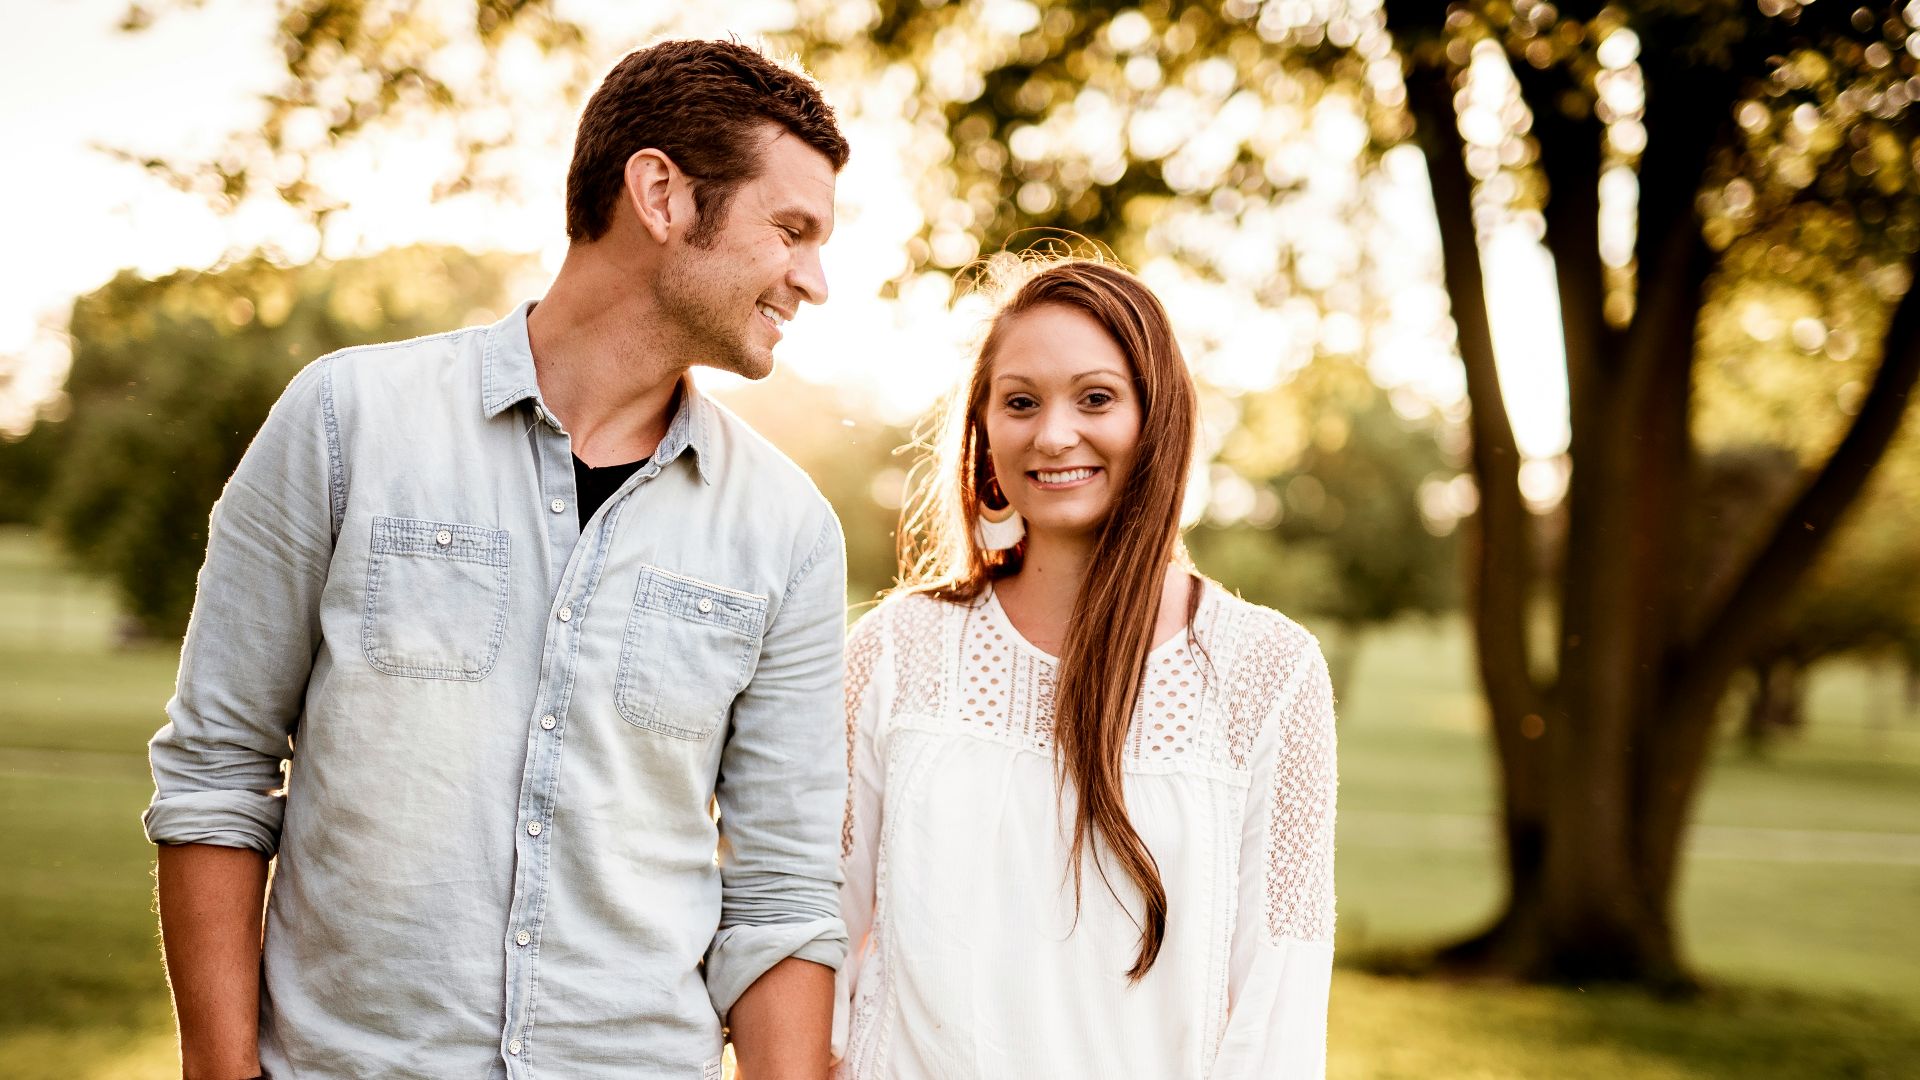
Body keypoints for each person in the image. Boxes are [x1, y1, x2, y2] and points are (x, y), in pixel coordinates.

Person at [143, 39, 852, 1079]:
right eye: (790, 230)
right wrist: (220, 1069)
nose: (815, 280)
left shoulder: (789, 528)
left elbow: (783, 890)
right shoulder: (347, 423)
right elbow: (217, 771)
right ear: (659, 193)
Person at [834, 258, 1338, 1078]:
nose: (1054, 433)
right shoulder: (897, 652)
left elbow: (1278, 1002)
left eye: (1096, 397)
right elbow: (815, 924)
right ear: (986, 436)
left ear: (1157, 419)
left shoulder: (1269, 673)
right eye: (1021, 401)